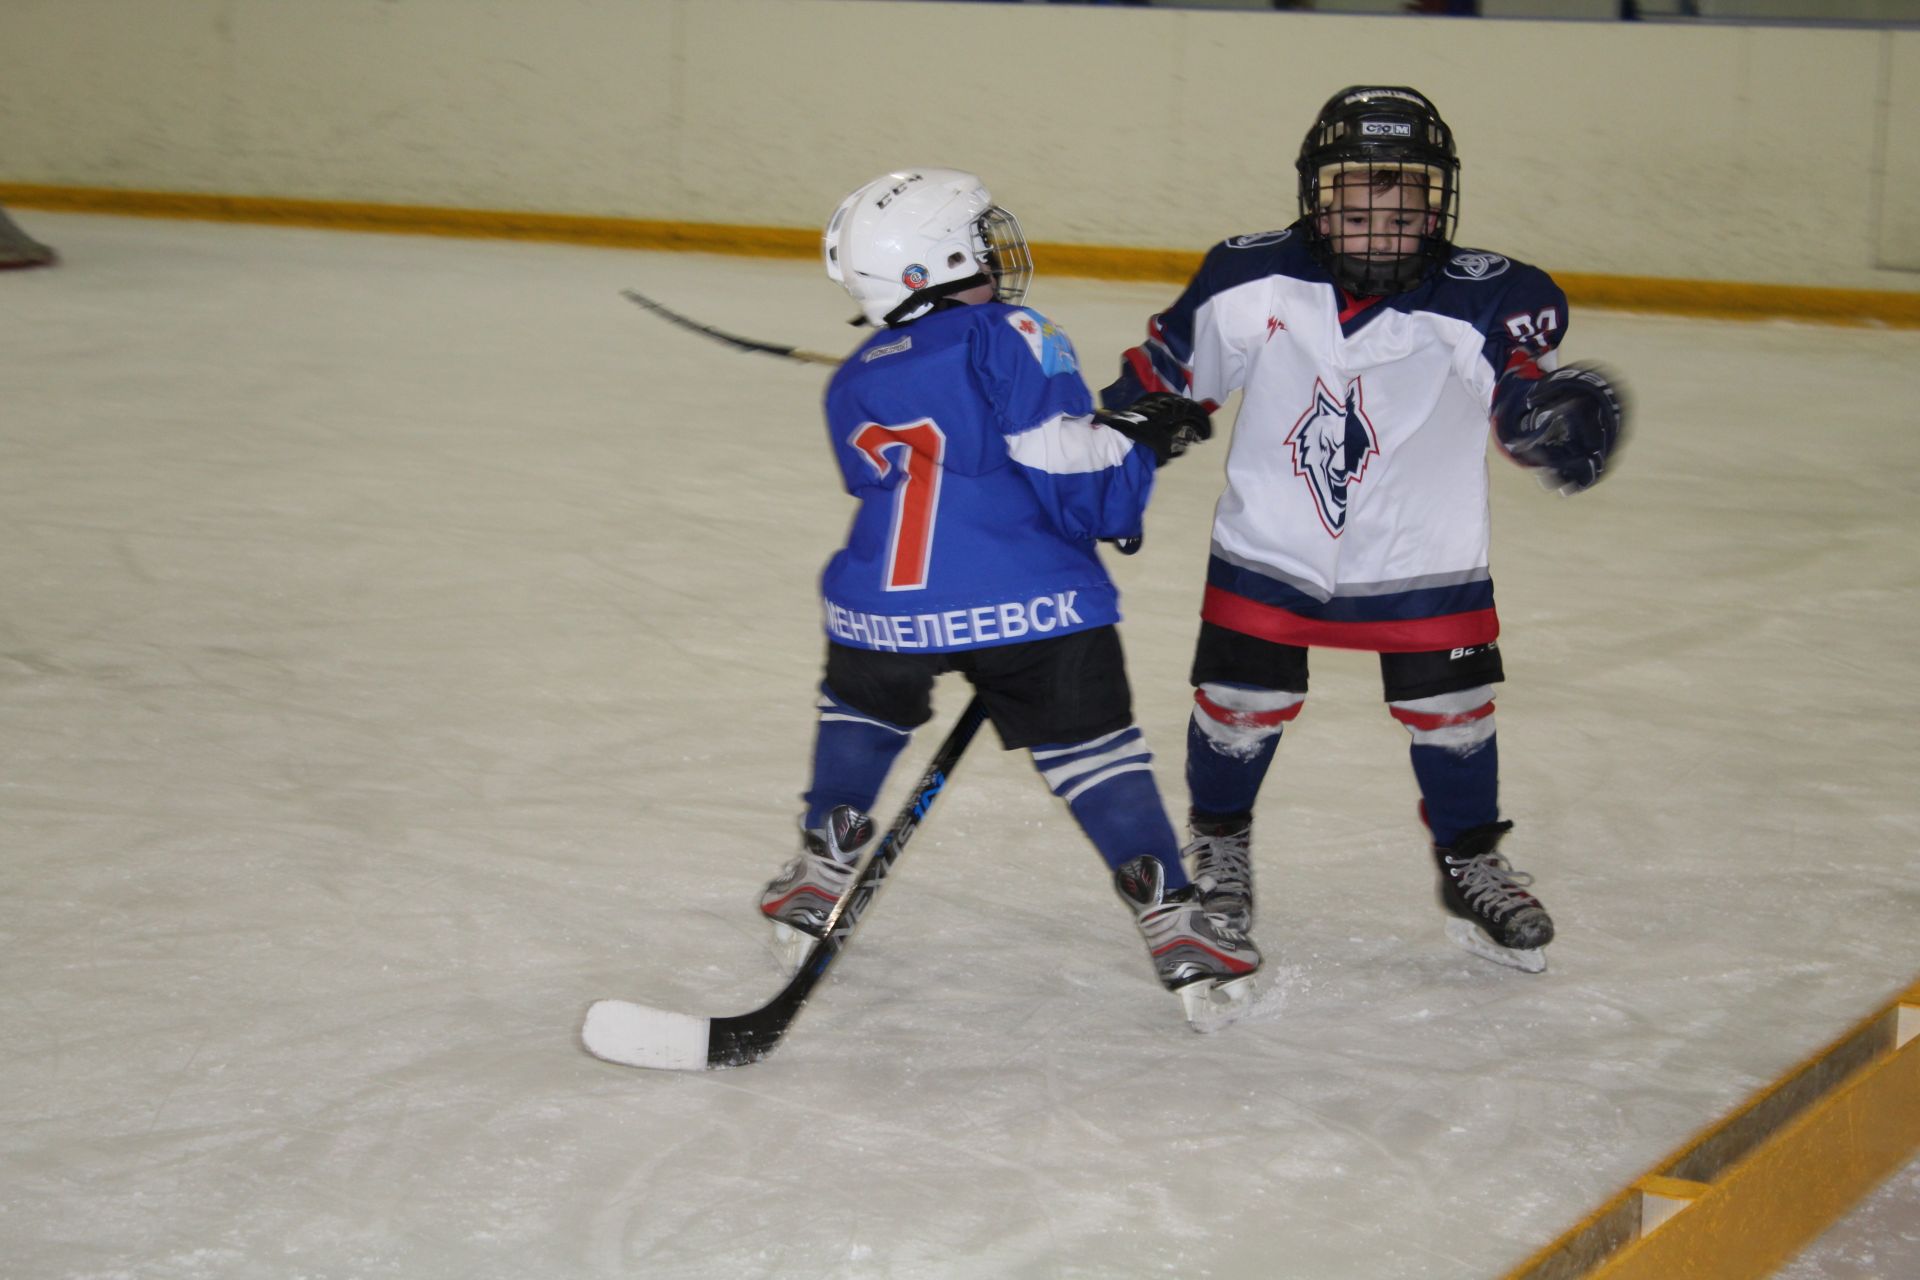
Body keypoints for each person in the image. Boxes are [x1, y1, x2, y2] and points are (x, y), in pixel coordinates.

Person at [1101, 87, 1627, 974]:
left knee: (1453, 713)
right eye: (1357, 196)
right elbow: (1171, 367)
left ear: (1437, 202)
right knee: (1240, 707)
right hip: (1271, 543)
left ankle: (1469, 860)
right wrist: (1124, 431)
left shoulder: (1492, 292)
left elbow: (1516, 381)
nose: (1379, 218)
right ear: (1319, 196)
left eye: (1404, 195)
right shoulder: (1249, 274)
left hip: (1423, 551)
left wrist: (1544, 415)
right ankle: (1221, 848)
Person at [759, 167, 1259, 1024]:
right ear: (934, 262)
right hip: (1034, 606)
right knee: (1094, 757)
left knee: (861, 709)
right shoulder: (1010, 328)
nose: (996, 250)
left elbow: (929, 476)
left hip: (880, 607)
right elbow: (1073, 477)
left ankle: (820, 865)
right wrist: (1140, 446)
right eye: (978, 238)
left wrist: (1118, 434)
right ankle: (1175, 919)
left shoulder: (852, 376)